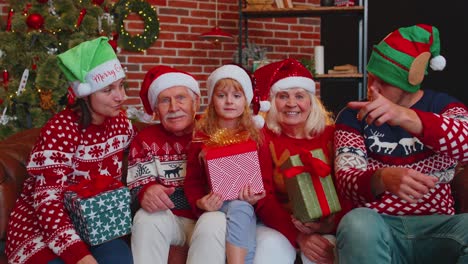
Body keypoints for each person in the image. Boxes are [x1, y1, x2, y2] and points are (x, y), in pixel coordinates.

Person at [334, 24, 468, 263]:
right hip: (379, 227)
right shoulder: (353, 116)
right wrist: (382, 178)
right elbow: (346, 181)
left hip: (440, 229)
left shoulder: (446, 107)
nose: (372, 87)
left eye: (383, 82)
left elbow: (464, 140)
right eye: (371, 76)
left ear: (409, 83)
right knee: (356, 223)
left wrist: (404, 116)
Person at [5, 37, 135, 264]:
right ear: (86, 94)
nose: (121, 97)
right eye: (108, 90)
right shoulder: (60, 130)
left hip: (96, 224)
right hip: (40, 229)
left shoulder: (121, 123)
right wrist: (79, 256)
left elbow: (142, 154)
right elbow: (47, 202)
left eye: (121, 85)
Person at [252, 58, 351, 264]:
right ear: (272, 102)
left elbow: (348, 188)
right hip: (277, 225)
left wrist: (327, 226)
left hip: (329, 223)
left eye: (299, 96)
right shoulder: (262, 137)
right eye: (282, 96)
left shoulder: (332, 135)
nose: (291, 103)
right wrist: (298, 235)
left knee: (323, 254)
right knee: (268, 249)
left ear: (311, 101)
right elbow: (264, 197)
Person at [126, 65, 227, 264]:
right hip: (169, 218)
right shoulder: (145, 139)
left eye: (181, 98)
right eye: (165, 100)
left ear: (195, 102)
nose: (173, 107)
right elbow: (137, 186)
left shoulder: (215, 133)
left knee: (216, 220)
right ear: (156, 109)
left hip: (205, 216)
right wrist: (146, 191)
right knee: (147, 217)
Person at [184, 64, 269, 264]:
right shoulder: (201, 137)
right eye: (221, 95)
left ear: (246, 100)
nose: (229, 101)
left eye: (237, 96)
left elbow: (265, 181)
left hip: (245, 205)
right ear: (212, 100)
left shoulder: (256, 137)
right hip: (216, 204)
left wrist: (258, 197)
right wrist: (200, 201)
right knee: (237, 212)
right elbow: (192, 181)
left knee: (242, 207)